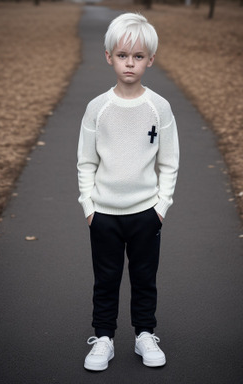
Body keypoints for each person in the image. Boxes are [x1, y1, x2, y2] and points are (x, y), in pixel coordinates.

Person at [77, 12, 179, 371]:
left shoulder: (159, 108)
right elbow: (86, 162)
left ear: (150, 59)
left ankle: (144, 334)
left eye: (138, 57)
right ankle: (103, 338)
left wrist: (160, 206)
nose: (130, 63)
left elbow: (169, 162)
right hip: (104, 214)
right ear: (109, 57)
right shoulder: (97, 108)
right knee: (105, 279)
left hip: (145, 214)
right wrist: (89, 206)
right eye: (123, 55)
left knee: (144, 278)